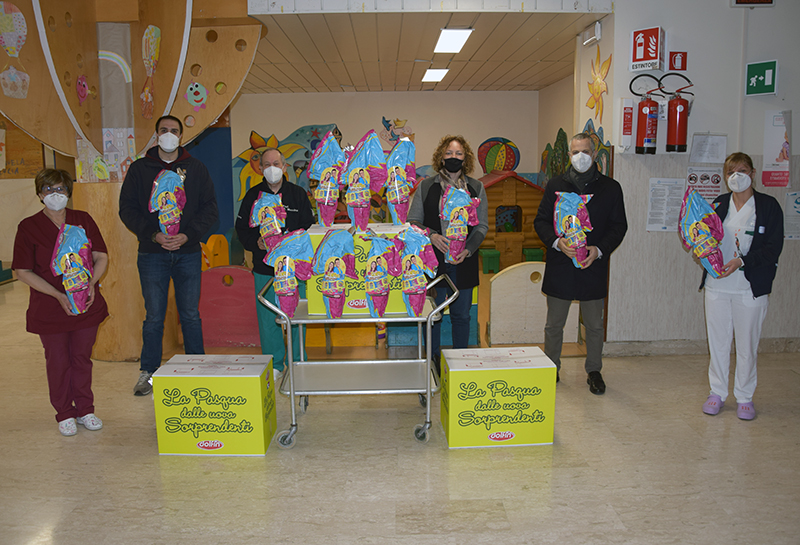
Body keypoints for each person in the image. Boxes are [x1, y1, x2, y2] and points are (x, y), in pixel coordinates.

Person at [119, 115, 219, 396]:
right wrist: (153, 235)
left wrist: (188, 235)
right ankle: (148, 373)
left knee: (189, 314)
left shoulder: (196, 169)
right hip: (152, 252)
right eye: (164, 130)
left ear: (181, 136)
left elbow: (210, 209)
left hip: (187, 252)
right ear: (156, 135)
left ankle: (196, 369)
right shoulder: (140, 170)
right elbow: (127, 209)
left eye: (174, 131)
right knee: (154, 316)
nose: (169, 135)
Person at [12, 169, 109, 435]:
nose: (55, 195)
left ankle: (86, 409)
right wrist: (57, 295)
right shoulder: (29, 227)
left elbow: (100, 256)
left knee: (81, 357)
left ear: (68, 191)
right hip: (49, 306)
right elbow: (22, 271)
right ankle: (64, 412)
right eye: (48, 190)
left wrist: (90, 285)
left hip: (85, 303)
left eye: (60, 189)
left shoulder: (82, 220)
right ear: (39, 194)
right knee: (57, 359)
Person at [534, 133, 627, 394]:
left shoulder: (611, 188)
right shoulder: (555, 185)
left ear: (595, 155)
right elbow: (540, 221)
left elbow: (619, 226)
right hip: (561, 264)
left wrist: (598, 250)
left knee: (595, 325)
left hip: (592, 265)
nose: (580, 157)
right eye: (575, 152)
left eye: (585, 151)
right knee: (554, 324)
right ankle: (551, 367)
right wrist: (555, 242)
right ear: (569, 155)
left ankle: (594, 370)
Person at [699, 152, 783, 420]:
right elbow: (704, 238)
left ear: (753, 173)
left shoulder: (768, 207)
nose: (737, 176)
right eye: (732, 171)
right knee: (719, 342)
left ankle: (745, 396)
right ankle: (717, 392)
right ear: (725, 177)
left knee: (747, 344)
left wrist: (741, 261)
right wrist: (700, 249)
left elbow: (773, 249)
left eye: (743, 170)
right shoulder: (718, 204)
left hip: (750, 287)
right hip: (717, 285)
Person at [408, 135, 488, 371]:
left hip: (464, 262)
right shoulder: (426, 187)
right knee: (433, 316)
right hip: (432, 263)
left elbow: (482, 225)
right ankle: (432, 362)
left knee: (462, 316)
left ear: (466, 158)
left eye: (459, 154)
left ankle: (460, 362)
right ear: (441, 157)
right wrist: (431, 235)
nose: (453, 158)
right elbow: (413, 221)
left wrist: (469, 248)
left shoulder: (476, 187)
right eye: (449, 153)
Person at [235, 148, 314, 378]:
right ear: (260, 169)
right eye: (267, 164)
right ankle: (276, 364)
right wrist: (255, 242)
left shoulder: (298, 194)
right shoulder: (252, 196)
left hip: (295, 268)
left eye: (276, 163)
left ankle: (298, 361)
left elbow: (309, 227)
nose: (272, 168)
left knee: (298, 317)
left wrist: (294, 241)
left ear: (284, 166)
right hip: (265, 268)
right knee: (268, 319)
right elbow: (242, 229)